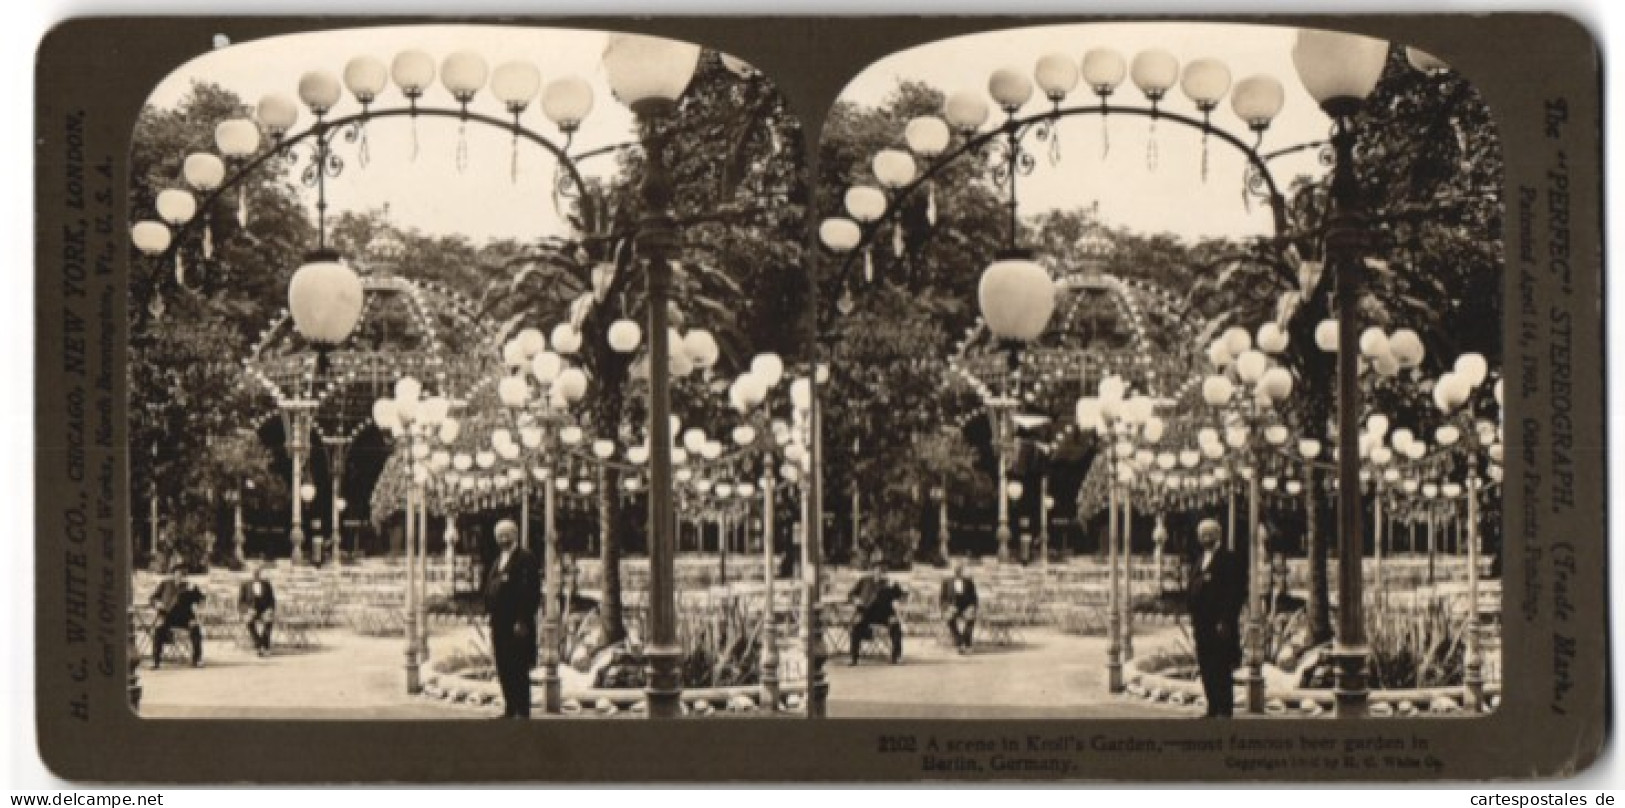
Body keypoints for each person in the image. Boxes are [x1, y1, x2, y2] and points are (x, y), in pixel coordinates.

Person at [1187, 519, 1247, 718]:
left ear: (1218, 536)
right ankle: (1212, 707)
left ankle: (1225, 709)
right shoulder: (1199, 558)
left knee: (1221, 666)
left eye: (1209, 534)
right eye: (1202, 535)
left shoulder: (1229, 559)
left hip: (1219, 624)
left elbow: (1235, 593)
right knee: (1206, 666)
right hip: (1201, 624)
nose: (1205, 538)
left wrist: (1226, 620)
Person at [485, 519, 540, 719]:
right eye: (499, 536)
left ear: (515, 535)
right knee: (503, 667)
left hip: (517, 625)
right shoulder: (498, 559)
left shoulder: (526, 558)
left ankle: (523, 712)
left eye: (506, 535)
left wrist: (523, 619)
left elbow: (530, 592)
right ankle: (509, 708)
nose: (503, 539)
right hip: (499, 624)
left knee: (518, 668)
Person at [846, 562, 906, 665]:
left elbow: (902, 597)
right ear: (873, 571)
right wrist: (855, 600)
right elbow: (851, 594)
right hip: (866, 611)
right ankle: (854, 657)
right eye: (877, 570)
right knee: (856, 627)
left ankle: (896, 656)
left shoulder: (890, 583)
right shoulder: (864, 581)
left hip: (885, 613)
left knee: (896, 626)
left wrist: (895, 590)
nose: (879, 573)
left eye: (882, 571)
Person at [150, 568, 205, 669]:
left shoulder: (190, 586)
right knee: (158, 630)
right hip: (167, 615)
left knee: (195, 628)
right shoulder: (165, 584)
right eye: (177, 574)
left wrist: (197, 600)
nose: (179, 577)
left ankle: (197, 659)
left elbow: (201, 599)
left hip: (185, 617)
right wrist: (156, 603)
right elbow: (153, 598)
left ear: (185, 577)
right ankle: (156, 661)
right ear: (173, 575)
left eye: (182, 575)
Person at [939, 562, 979, 654]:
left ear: (962, 571)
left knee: (971, 619)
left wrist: (972, 607)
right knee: (949, 619)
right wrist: (947, 607)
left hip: (966, 607)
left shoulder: (969, 582)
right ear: (952, 570)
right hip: (952, 607)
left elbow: (974, 598)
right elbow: (942, 598)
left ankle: (966, 641)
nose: (957, 571)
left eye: (959, 569)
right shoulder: (946, 582)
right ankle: (959, 642)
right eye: (955, 569)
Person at [237, 564, 277, 657]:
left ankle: (265, 645)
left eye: (258, 572)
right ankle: (258, 644)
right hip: (251, 611)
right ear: (251, 573)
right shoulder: (245, 585)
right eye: (254, 572)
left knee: (269, 621)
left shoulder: (267, 584)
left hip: (264, 610)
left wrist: (270, 609)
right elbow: (240, 602)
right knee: (248, 621)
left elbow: (272, 600)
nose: (256, 574)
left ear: (260, 573)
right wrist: (247, 610)